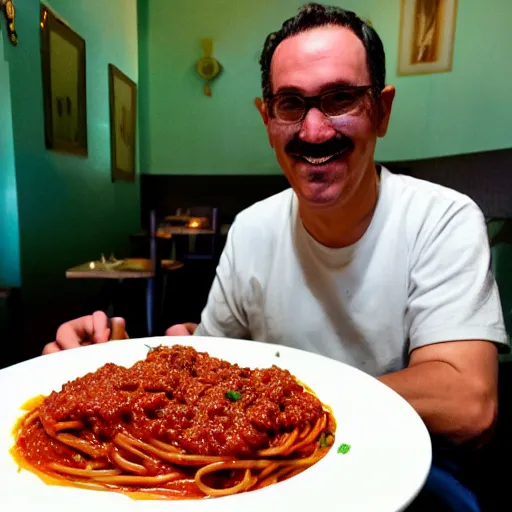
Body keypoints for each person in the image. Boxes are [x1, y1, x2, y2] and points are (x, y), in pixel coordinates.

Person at [43, 4, 507, 510]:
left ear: (382, 110)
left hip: (414, 468)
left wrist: (290, 402)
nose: (313, 132)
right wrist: (120, 363)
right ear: (267, 120)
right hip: (274, 480)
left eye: (339, 99)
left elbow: (468, 402)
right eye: (290, 104)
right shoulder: (252, 229)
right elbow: (215, 371)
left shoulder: (442, 219)